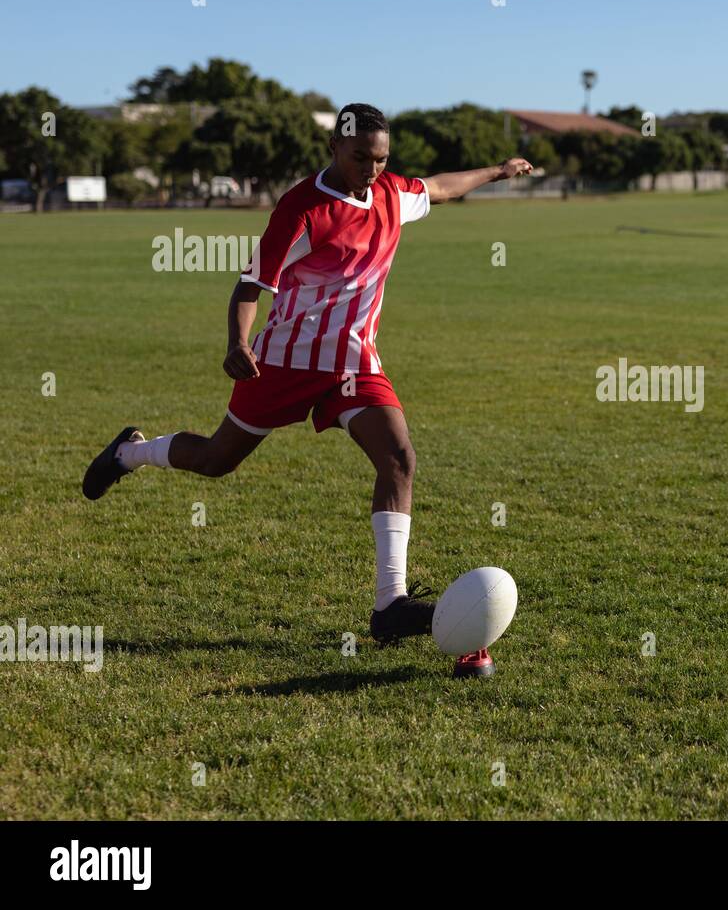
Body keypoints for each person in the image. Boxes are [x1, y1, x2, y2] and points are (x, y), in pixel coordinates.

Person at [82, 103, 532, 657]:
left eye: (381, 158)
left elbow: (439, 186)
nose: (371, 168)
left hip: (354, 363)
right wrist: (237, 342)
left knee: (399, 458)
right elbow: (251, 285)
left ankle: (389, 605)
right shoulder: (301, 209)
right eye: (360, 157)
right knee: (217, 459)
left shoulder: (392, 193)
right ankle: (130, 453)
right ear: (334, 149)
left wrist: (497, 171)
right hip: (284, 364)